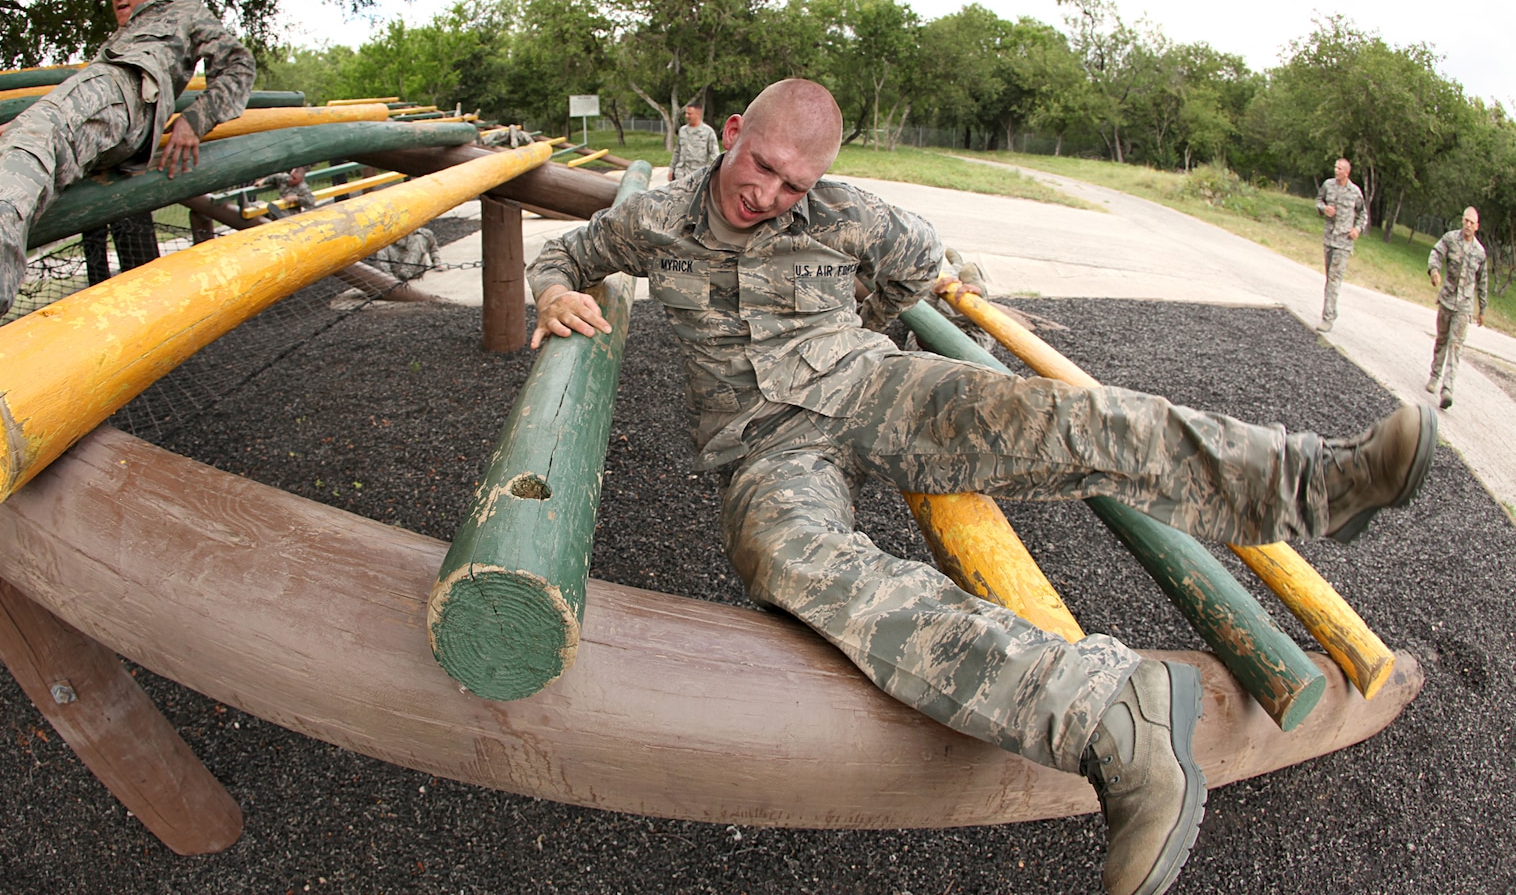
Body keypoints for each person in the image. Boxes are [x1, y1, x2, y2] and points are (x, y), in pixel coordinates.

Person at [527, 79, 1437, 895]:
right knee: (782, 555)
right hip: (764, 450)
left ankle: (1325, 479)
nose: (768, 196)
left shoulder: (848, 215)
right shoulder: (655, 222)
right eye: (760, 167)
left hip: (871, 389)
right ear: (733, 134)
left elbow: (922, 263)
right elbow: (567, 258)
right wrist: (551, 296)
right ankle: (1115, 717)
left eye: (793, 185)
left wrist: (866, 330)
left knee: (1069, 420)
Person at [0, 0, 256, 381]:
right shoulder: (116, 38)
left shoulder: (184, 12)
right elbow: (70, 111)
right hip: (92, 103)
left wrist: (194, 121)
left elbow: (238, 64)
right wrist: (23, 125)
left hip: (128, 91)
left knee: (36, 137)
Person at [1426, 206, 1489, 410]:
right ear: (1462, 221)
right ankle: (1434, 375)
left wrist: (1483, 308)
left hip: (1464, 306)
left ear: (1477, 226)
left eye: (1472, 222)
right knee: (1442, 340)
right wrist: (1434, 271)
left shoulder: (1480, 253)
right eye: (1466, 221)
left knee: (1455, 346)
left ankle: (1448, 389)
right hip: (1446, 300)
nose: (1468, 225)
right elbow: (1436, 253)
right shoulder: (1450, 239)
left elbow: (1483, 281)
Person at [1315, 158, 1367, 331]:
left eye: (1339, 168)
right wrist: (1324, 209)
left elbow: (1362, 214)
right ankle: (1332, 310)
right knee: (1330, 277)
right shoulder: (1328, 185)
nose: (1336, 171)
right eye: (1335, 167)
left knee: (1334, 280)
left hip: (1344, 242)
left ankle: (1327, 318)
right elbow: (1318, 201)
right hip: (1329, 238)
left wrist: (1357, 229)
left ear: (1347, 172)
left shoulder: (1355, 192)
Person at [669, 101, 719, 181]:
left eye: (689, 114)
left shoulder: (708, 132)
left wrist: (715, 175)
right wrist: (671, 169)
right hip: (680, 175)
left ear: (698, 114)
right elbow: (677, 152)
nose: (686, 116)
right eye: (686, 113)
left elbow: (714, 155)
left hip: (698, 177)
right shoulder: (682, 131)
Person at [254, 165, 318, 216]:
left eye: (294, 178)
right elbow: (274, 177)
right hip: (277, 204)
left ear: (300, 180)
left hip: (290, 211)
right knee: (259, 204)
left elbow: (311, 201)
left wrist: (296, 198)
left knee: (283, 214)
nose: (290, 179)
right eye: (291, 176)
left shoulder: (303, 187)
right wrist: (263, 181)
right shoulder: (285, 178)